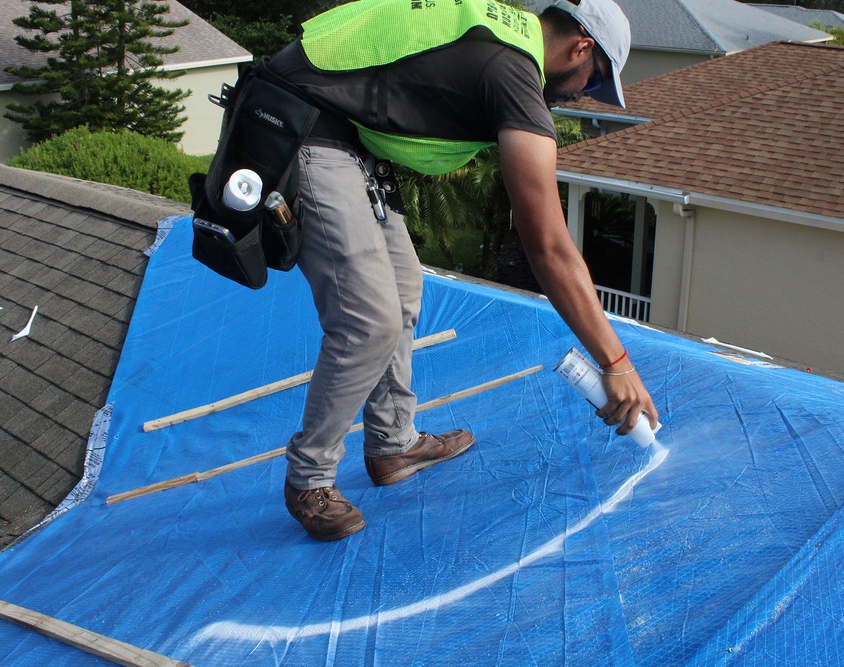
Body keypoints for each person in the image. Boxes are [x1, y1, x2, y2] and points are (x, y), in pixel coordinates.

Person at [267, 0, 659, 542]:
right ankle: (308, 479)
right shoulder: (515, 71)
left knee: (404, 290)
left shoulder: (504, 34)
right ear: (581, 47)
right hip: (303, 126)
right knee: (369, 321)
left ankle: (393, 444)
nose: (582, 95)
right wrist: (614, 361)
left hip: (346, 133)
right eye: (593, 81)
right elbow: (547, 245)